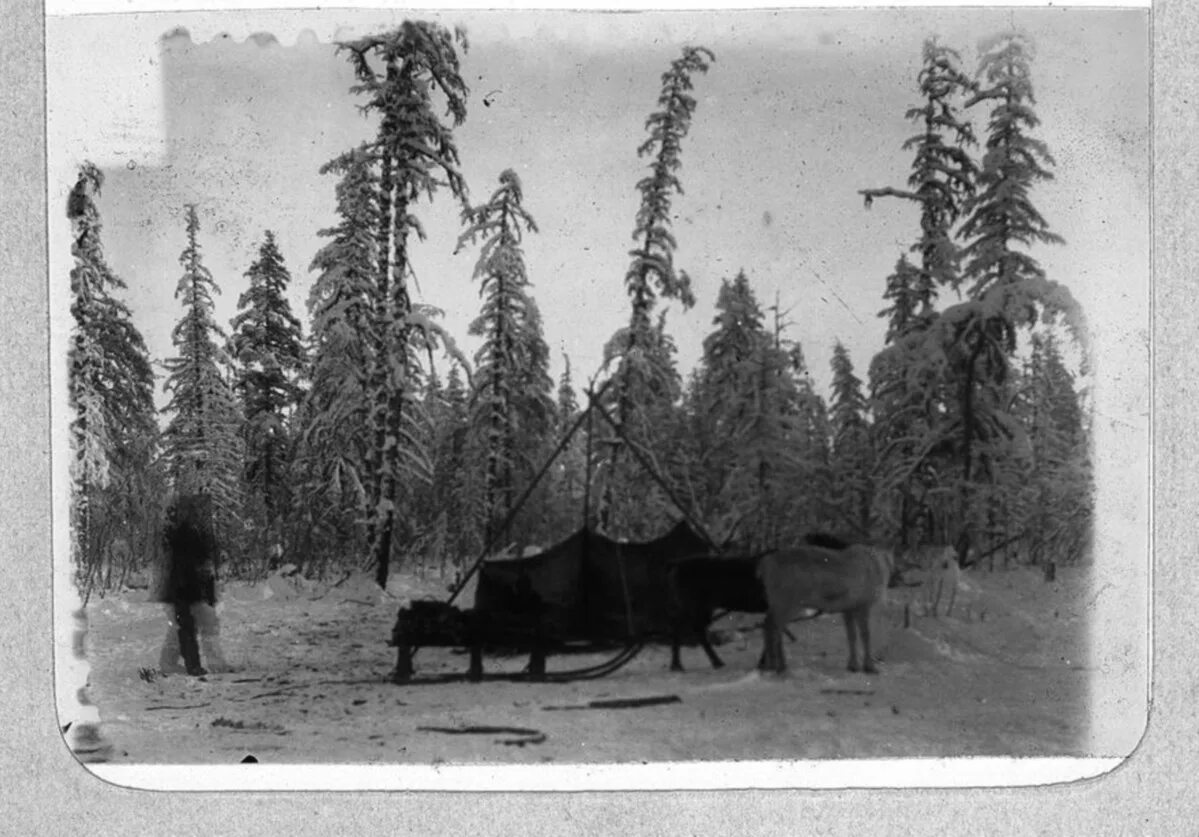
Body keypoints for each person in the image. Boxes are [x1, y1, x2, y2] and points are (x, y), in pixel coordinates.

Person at [155, 493, 231, 676]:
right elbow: (188, 567)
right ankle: (191, 665)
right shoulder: (180, 534)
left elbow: (203, 567)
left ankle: (179, 664)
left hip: (189, 592)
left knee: (195, 626)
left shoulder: (191, 533)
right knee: (190, 627)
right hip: (184, 593)